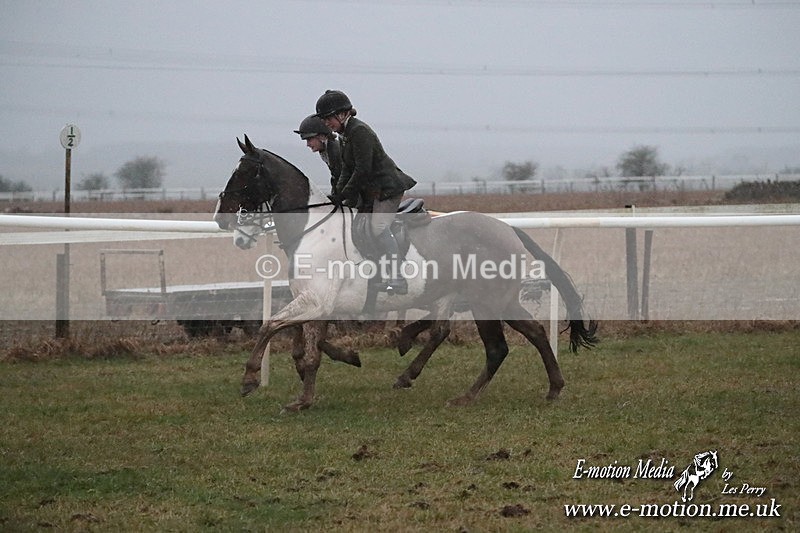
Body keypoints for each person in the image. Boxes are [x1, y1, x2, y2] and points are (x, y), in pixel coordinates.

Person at [315, 89, 416, 295]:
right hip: (373, 190)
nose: (326, 124)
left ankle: (399, 277)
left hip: (387, 189)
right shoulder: (345, 135)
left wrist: (345, 193)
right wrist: (337, 195)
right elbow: (346, 169)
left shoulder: (359, 132)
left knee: (377, 227)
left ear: (342, 114)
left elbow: (362, 170)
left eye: (328, 119)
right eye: (324, 120)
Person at [293, 114, 342, 195]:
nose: (308, 144)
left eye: (309, 139)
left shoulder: (335, 150)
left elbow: (342, 177)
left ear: (321, 136)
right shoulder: (325, 150)